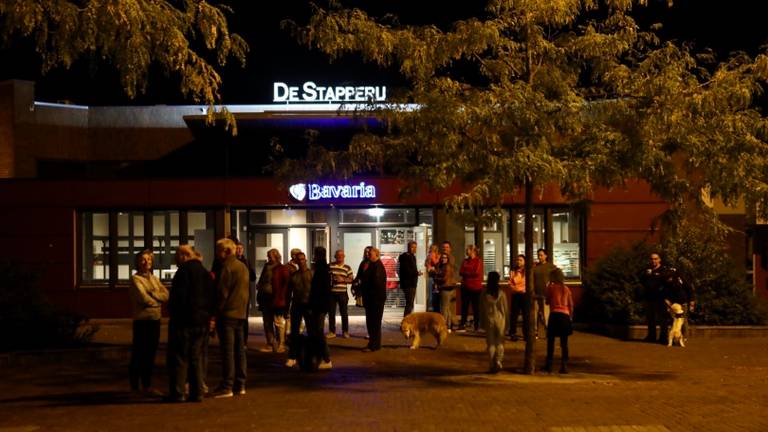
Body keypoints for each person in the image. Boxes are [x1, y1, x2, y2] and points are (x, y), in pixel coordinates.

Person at [166, 245, 214, 403]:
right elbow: (212, 297)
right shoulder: (204, 272)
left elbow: (179, 297)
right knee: (196, 357)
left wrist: (172, 312)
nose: (175, 260)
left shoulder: (183, 272)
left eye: (176, 256)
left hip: (184, 321)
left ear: (183, 256)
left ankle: (178, 392)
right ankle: (197, 392)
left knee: (180, 356)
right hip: (202, 321)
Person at [211, 238, 250, 398]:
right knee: (239, 351)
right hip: (240, 314)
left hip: (227, 315)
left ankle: (227, 386)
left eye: (219, 250)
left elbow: (221, 294)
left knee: (228, 352)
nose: (217, 254)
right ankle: (240, 384)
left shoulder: (226, 268)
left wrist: (214, 314)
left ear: (226, 251)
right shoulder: (242, 267)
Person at [129, 249, 169, 396]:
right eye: (143, 259)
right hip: (142, 321)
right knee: (139, 353)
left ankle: (147, 384)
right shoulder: (135, 280)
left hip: (155, 320)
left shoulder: (154, 278)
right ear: (138, 262)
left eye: (149, 259)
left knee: (151, 353)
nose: (147, 262)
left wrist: (153, 294)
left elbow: (166, 295)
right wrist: (157, 301)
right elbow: (143, 298)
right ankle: (135, 385)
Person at [544, 268, 574, 374]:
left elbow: (547, 301)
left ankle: (549, 364)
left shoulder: (550, 288)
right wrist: (570, 317)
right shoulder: (566, 289)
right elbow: (571, 304)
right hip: (565, 316)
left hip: (555, 315)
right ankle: (564, 365)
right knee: (564, 343)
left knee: (551, 341)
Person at [286, 251, 312, 368]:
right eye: (299, 259)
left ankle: (311, 356)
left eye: (302, 259)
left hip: (309, 305)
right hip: (297, 305)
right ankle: (292, 357)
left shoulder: (311, 274)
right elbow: (288, 293)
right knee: (294, 332)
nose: (301, 261)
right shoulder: (294, 275)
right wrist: (286, 308)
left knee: (312, 331)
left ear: (305, 260)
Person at [309, 246, 333, 369]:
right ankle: (321, 357)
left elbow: (318, 290)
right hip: (322, 304)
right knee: (317, 331)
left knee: (318, 332)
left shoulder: (321, 269)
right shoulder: (325, 268)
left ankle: (326, 358)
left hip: (319, 305)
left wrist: (313, 304)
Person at [360, 247, 387, 352]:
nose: (368, 255)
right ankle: (373, 344)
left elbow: (376, 284)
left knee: (374, 323)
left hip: (375, 300)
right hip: (372, 299)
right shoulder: (372, 265)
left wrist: (364, 285)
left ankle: (374, 346)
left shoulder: (377, 266)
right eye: (368, 254)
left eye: (370, 254)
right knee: (372, 323)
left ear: (376, 254)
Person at [256, 248, 280, 352]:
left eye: (270, 256)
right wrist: (260, 286)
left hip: (273, 296)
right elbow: (262, 278)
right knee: (267, 321)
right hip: (264, 296)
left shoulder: (279, 267)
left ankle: (278, 342)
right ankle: (270, 342)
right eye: (268, 256)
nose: (268, 258)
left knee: (276, 321)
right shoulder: (266, 266)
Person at [483, 271, 507, 373]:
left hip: (489, 319)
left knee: (491, 343)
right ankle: (498, 360)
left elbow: (481, 308)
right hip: (500, 319)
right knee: (500, 342)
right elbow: (504, 309)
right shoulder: (501, 294)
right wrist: (508, 322)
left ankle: (492, 364)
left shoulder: (484, 293)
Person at [639, 252, 666, 343]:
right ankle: (651, 336)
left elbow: (666, 283)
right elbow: (641, 281)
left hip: (660, 298)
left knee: (662, 319)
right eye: (652, 259)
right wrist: (646, 274)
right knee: (650, 318)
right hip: (648, 298)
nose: (653, 261)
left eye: (655, 259)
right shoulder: (647, 270)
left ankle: (663, 338)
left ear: (659, 259)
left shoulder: (663, 270)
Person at [234, 239, 256, 345]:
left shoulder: (246, 261)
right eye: (237, 248)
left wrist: (249, 269)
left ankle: (244, 342)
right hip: (235, 294)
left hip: (244, 293)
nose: (239, 250)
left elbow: (253, 277)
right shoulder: (232, 262)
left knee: (244, 318)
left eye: (241, 249)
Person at [269, 249, 291, 353]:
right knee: (279, 322)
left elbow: (285, 284)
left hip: (279, 299)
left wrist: (282, 295)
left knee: (279, 322)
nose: (269, 259)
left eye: (270, 257)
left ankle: (282, 344)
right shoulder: (276, 269)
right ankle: (281, 343)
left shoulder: (281, 269)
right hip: (276, 298)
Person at [328, 249, 354, 338]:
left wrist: (343, 279)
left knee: (344, 313)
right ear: (335, 256)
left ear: (344, 256)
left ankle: (345, 331)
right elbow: (325, 278)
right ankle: (332, 331)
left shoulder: (347, 267)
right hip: (331, 293)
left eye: (341, 255)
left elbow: (351, 280)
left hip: (342, 293)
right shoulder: (330, 266)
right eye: (338, 255)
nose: (340, 257)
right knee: (331, 313)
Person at [459, 244, 483, 332]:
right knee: (464, 307)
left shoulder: (478, 261)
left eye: (467, 250)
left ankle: (477, 325)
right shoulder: (465, 261)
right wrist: (469, 272)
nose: (466, 251)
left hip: (475, 288)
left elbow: (476, 273)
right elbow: (461, 272)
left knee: (476, 308)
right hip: (465, 287)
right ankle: (463, 324)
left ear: (473, 251)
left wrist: (466, 273)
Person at [533, 248, 556, 338]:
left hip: (545, 295)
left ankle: (548, 331)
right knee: (535, 316)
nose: (539, 257)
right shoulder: (535, 267)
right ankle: (535, 332)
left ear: (546, 256)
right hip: (535, 294)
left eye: (541, 255)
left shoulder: (551, 267)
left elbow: (556, 277)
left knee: (546, 315)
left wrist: (551, 284)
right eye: (538, 255)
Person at [434, 253, 457, 333]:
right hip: (449, 288)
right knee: (447, 309)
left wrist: (436, 277)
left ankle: (444, 326)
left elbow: (444, 278)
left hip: (446, 288)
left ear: (448, 259)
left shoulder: (446, 267)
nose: (443, 259)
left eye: (445, 258)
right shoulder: (443, 266)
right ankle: (448, 326)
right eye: (442, 257)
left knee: (444, 309)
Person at [398, 240, 421, 317]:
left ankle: (408, 320)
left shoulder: (412, 257)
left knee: (410, 303)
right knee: (409, 303)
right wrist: (417, 273)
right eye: (412, 247)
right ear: (408, 247)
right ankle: (406, 321)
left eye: (415, 247)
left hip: (412, 283)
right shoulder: (405, 257)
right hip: (408, 284)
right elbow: (407, 271)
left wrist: (416, 273)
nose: (414, 249)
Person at [508, 254, 528, 341]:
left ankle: (526, 334)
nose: (518, 261)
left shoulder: (527, 272)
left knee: (526, 315)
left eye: (520, 260)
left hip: (524, 295)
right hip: (516, 295)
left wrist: (518, 287)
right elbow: (510, 283)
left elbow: (525, 283)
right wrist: (516, 288)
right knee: (514, 315)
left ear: (525, 261)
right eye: (517, 260)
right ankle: (513, 333)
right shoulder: (513, 271)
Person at [425, 244, 441, 312]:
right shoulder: (430, 255)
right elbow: (429, 266)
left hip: (437, 278)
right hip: (432, 278)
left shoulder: (435, 255)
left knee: (435, 295)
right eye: (432, 248)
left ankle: (435, 309)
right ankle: (432, 308)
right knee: (432, 295)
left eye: (434, 248)